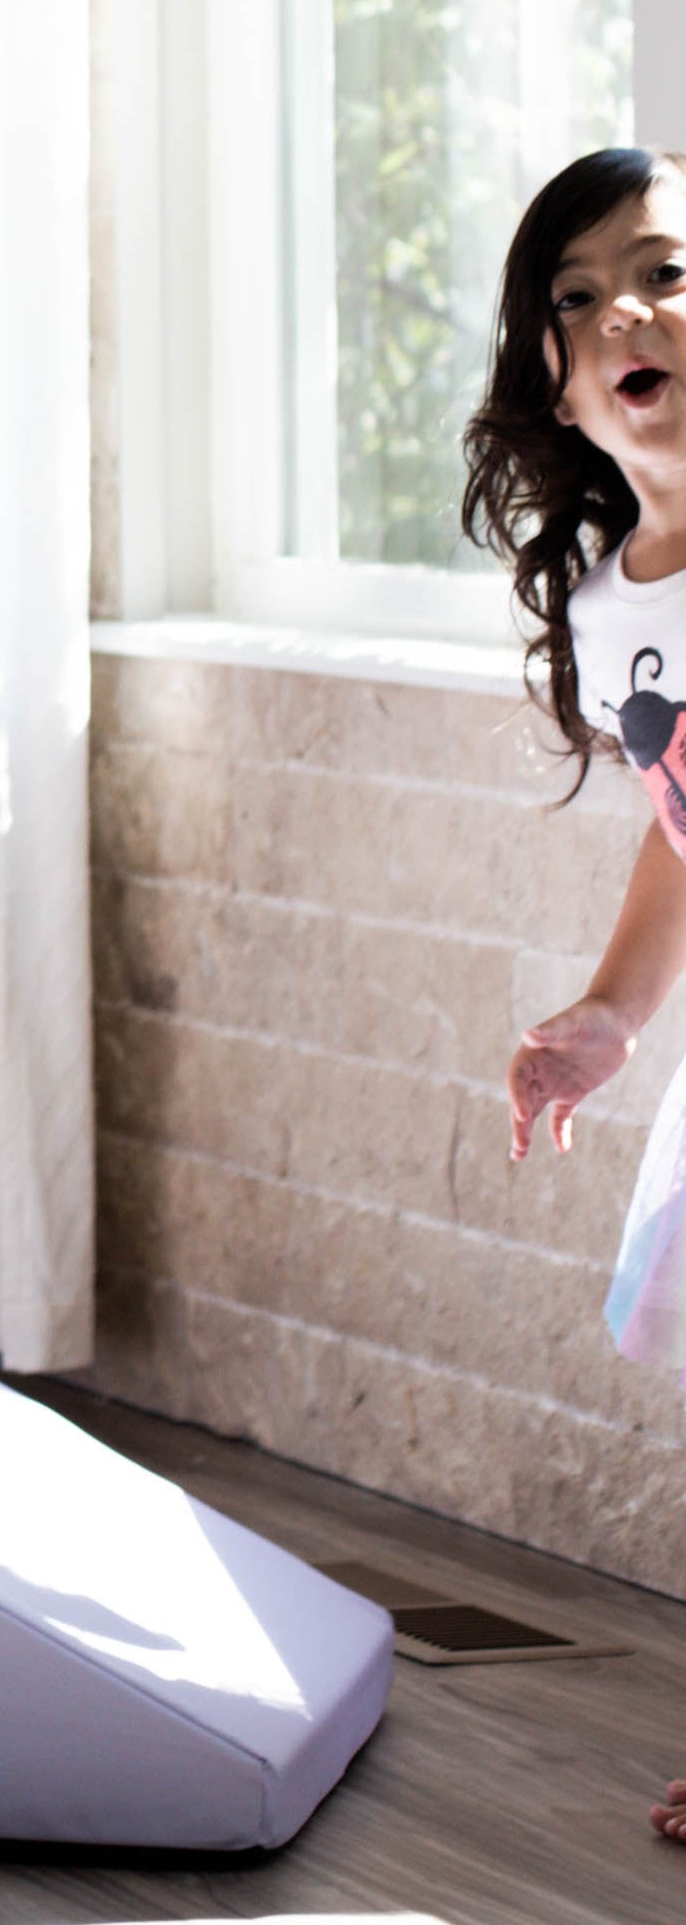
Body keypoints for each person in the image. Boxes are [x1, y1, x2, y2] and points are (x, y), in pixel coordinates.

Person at [458, 145, 686, 1851]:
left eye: (664, 270)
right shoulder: (617, 602)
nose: (623, 309)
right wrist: (613, 1011)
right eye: (577, 293)